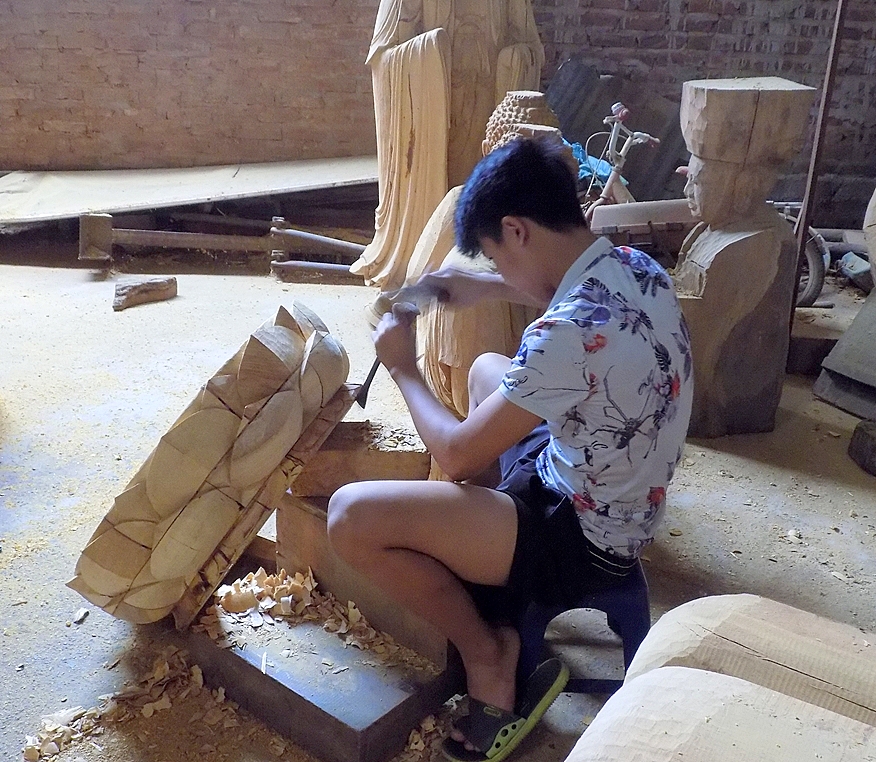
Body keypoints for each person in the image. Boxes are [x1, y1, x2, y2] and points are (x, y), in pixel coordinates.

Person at [327, 138, 693, 762]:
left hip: (582, 539)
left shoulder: (564, 334)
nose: (501, 268)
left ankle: (488, 652)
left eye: (498, 253)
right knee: (486, 369)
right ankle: (487, 552)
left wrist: (403, 368)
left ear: (517, 230)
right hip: (620, 488)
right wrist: (484, 283)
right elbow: (578, 310)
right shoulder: (636, 266)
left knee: (348, 516)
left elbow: (458, 457)